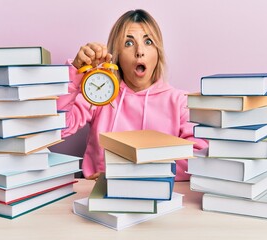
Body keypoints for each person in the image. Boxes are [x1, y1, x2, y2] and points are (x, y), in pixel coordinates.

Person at [57, 9, 207, 181]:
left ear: (158, 53)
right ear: (117, 56)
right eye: (128, 43)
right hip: (99, 195)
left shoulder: (180, 102)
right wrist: (75, 73)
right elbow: (59, 128)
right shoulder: (101, 95)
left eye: (148, 42)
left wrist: (126, 174)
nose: (139, 51)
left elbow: (197, 159)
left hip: (159, 195)